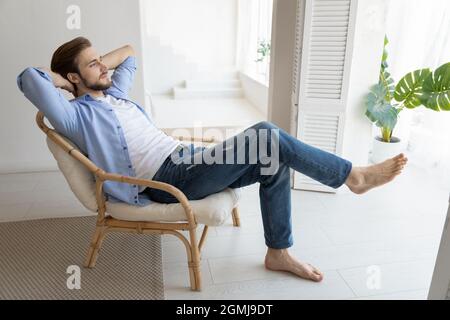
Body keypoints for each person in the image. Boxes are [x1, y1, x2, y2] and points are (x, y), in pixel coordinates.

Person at [17, 37, 408, 282]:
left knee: (273, 158)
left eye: (101, 60)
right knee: (266, 132)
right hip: (169, 180)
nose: (104, 66)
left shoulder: (116, 93)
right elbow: (27, 79)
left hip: (187, 158)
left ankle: (278, 252)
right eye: (93, 65)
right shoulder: (75, 116)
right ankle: (351, 176)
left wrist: (93, 61)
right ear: (72, 77)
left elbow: (130, 54)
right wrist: (65, 80)